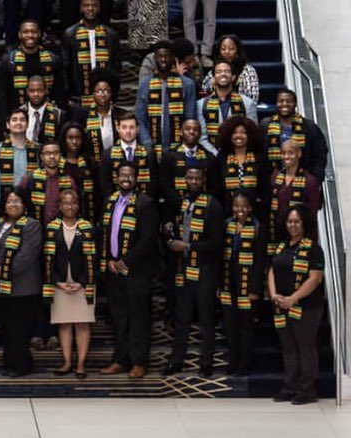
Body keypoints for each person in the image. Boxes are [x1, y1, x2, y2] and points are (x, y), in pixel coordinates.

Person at [162, 165, 223, 376]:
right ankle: (176, 360)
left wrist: (187, 246)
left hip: (205, 271)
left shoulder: (213, 205)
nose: (194, 181)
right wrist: (170, 230)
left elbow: (216, 243)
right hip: (183, 269)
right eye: (190, 178)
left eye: (197, 178)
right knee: (182, 318)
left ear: (203, 179)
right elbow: (180, 232)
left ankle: (206, 363)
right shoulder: (183, 203)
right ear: (185, 180)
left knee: (206, 318)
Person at [100, 161, 158, 377]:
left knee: (138, 318)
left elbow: (148, 239)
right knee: (119, 318)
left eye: (130, 175)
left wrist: (126, 261)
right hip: (113, 270)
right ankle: (120, 360)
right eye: (122, 175)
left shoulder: (145, 203)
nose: (126, 178)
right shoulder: (110, 201)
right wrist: (107, 259)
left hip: (136, 271)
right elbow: (104, 233)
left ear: (136, 178)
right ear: (116, 178)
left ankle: (139, 362)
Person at [268, 205, 325, 404]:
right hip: (281, 306)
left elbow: (315, 279)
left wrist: (293, 298)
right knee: (289, 348)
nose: (293, 225)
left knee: (305, 347)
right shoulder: (282, 246)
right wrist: (274, 294)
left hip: (307, 307)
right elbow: (272, 270)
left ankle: (307, 390)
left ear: (304, 223)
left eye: (297, 221)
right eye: (290, 221)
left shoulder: (313, 248)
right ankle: (290, 386)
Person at [43, 187, 96, 378]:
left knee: (82, 324)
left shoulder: (87, 227)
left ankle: (81, 364)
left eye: (73, 202)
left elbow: (93, 259)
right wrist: (57, 282)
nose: (70, 206)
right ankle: (66, 362)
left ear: (78, 205)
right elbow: (47, 258)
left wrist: (82, 282)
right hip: (60, 284)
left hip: (83, 284)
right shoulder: (52, 227)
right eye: (66, 203)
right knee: (64, 324)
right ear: (60, 206)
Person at [0, 189, 42, 378]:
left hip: (24, 287)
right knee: (7, 328)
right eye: (9, 201)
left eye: (17, 201)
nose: (13, 204)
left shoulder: (32, 225)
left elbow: (27, 256)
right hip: (3, 288)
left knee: (21, 329)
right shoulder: (0, 225)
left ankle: (22, 365)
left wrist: (2, 270)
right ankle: (9, 362)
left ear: (25, 204)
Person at [220, 190, 267, 376]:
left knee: (246, 327)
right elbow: (219, 256)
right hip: (227, 283)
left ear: (250, 207)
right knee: (230, 326)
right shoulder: (226, 225)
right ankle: (232, 362)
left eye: (243, 206)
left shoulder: (257, 227)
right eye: (236, 206)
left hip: (247, 284)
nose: (240, 209)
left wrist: (256, 289)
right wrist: (218, 285)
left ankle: (244, 365)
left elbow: (260, 260)